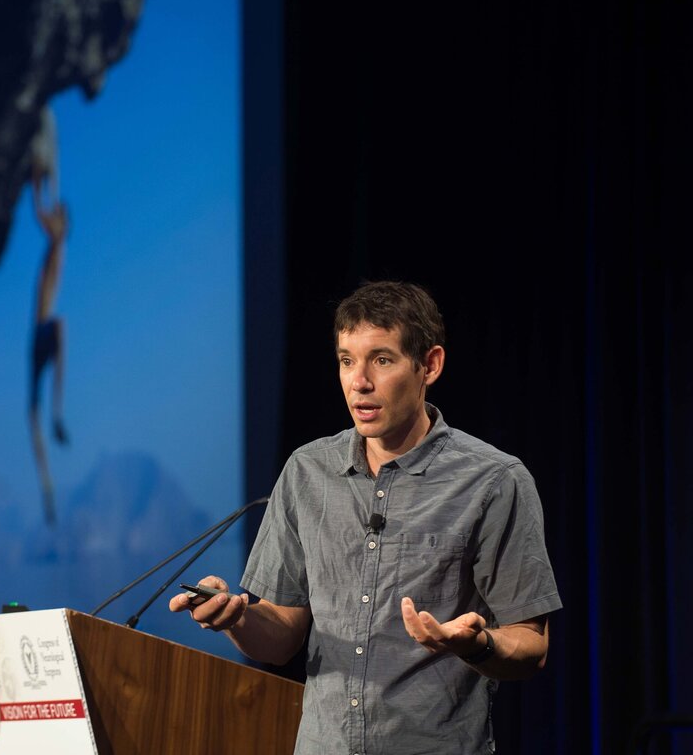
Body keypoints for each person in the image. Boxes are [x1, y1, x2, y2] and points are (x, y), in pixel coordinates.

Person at [169, 280, 561, 753]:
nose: (359, 382)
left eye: (382, 359)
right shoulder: (307, 471)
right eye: (346, 360)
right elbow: (282, 636)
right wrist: (235, 618)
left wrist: (476, 646)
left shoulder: (494, 481)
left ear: (429, 365)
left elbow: (530, 644)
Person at [27, 106, 70, 525]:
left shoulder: (58, 245)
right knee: (31, 415)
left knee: (62, 325)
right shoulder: (56, 247)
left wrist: (36, 187)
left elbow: (46, 215)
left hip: (41, 332)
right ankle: (47, 491)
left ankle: (57, 412)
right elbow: (47, 209)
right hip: (35, 337)